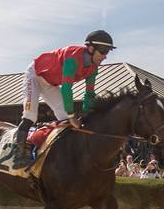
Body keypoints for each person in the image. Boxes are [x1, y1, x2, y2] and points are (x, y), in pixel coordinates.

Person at [12, 30, 115, 167]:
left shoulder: (93, 68)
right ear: (91, 48)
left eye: (107, 52)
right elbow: (67, 89)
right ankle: (17, 155)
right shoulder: (72, 58)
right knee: (31, 115)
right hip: (35, 75)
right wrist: (73, 115)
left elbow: (89, 94)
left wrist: (87, 115)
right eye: (103, 51)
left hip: (51, 84)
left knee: (65, 117)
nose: (105, 56)